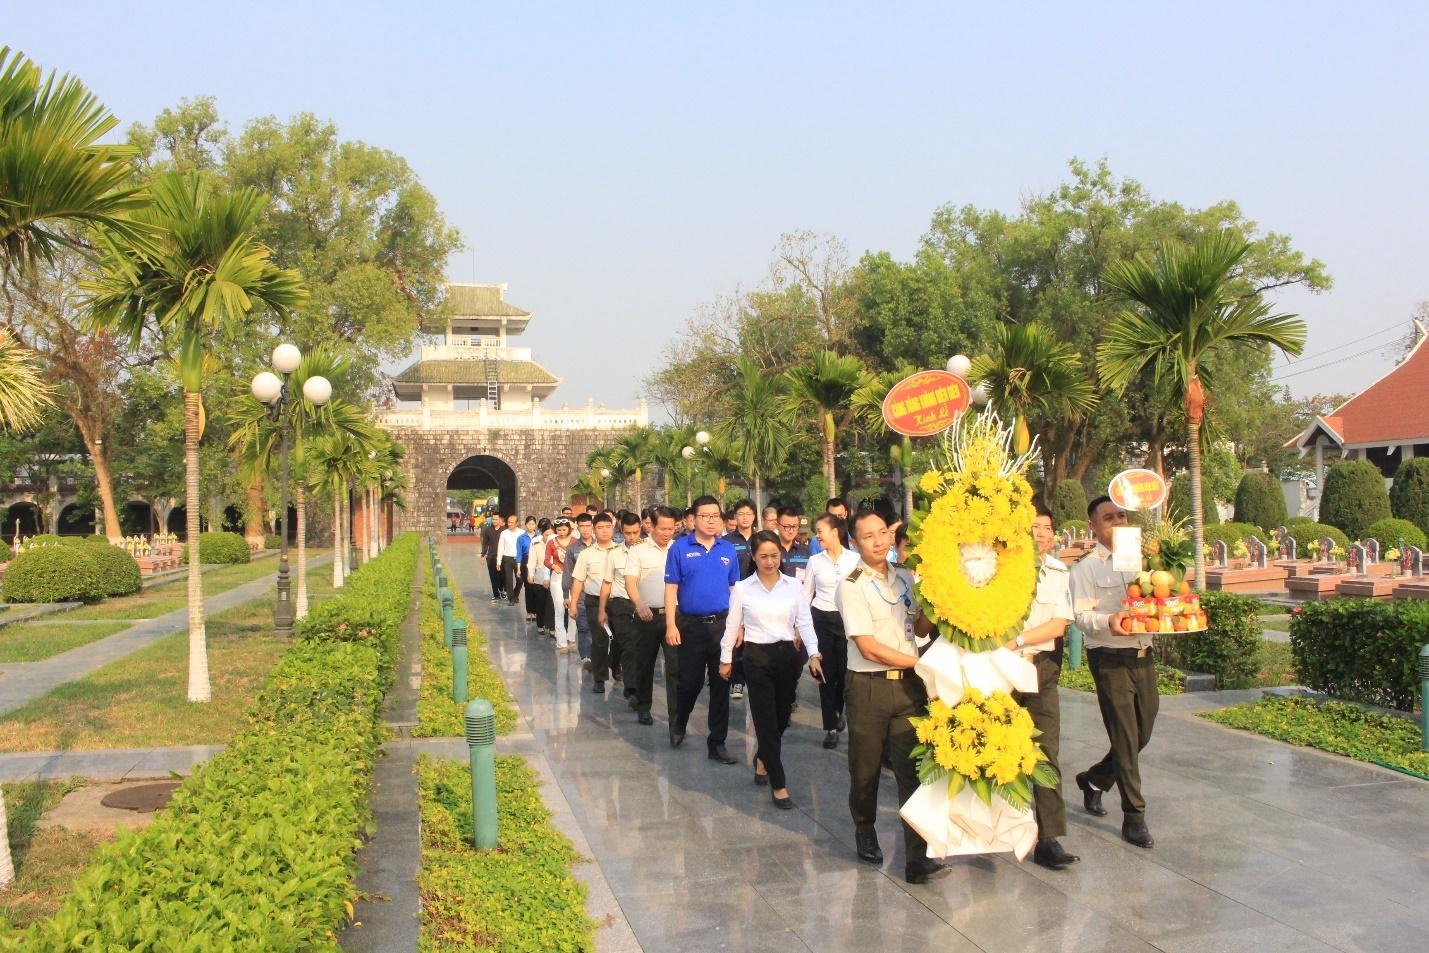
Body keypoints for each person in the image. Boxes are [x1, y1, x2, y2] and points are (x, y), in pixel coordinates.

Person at [838, 510, 947, 885]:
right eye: (868, 536)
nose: (879, 540)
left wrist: (938, 605)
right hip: (869, 687)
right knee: (865, 768)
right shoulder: (850, 585)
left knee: (913, 771)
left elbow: (917, 625)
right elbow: (868, 647)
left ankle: (918, 857)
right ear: (855, 543)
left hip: (908, 687)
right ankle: (865, 830)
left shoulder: (904, 577)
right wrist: (922, 663)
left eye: (883, 532)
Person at [1071, 495, 1157, 849]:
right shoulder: (1086, 568)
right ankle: (1134, 816)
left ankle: (1094, 779)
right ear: (1094, 526)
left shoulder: (1144, 560)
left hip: (1143, 654)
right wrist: (1109, 620)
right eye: (1108, 517)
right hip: (1109, 657)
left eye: (1121, 515)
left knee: (1142, 733)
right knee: (1124, 736)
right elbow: (1079, 616)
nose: (1117, 521)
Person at [719, 531, 824, 809]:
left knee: (780, 718)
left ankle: (763, 756)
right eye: (763, 556)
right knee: (765, 720)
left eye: (774, 556)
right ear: (753, 557)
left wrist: (814, 654)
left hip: (787, 655)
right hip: (756, 656)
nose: (769, 561)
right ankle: (779, 785)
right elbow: (732, 626)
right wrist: (726, 658)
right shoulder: (743, 588)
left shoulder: (793, 586)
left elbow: (805, 622)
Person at [1008, 507, 1079, 869]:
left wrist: (1017, 640)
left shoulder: (1058, 571)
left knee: (1045, 751)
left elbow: (1058, 625)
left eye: (1047, 528)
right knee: (996, 747)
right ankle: (993, 828)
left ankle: (1049, 837)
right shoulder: (1001, 570)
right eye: (1033, 527)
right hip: (1003, 671)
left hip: (1040, 669)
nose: (1041, 533)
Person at [665, 494, 740, 763]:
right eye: (705, 516)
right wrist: (671, 624)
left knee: (721, 684)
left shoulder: (728, 550)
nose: (711, 521)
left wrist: (738, 625)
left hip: (721, 626)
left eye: (715, 516)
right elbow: (671, 588)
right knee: (690, 684)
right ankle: (679, 722)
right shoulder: (680, 548)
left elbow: (735, 589)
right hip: (690, 627)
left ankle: (717, 743)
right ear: (693, 519)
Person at [805, 513, 859, 749]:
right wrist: (801, 629)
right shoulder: (815, 561)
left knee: (844, 674)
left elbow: (860, 591)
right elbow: (806, 595)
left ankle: (838, 710)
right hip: (821, 619)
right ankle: (829, 727)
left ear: (835, 532)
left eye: (820, 531)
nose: (817, 536)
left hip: (847, 621)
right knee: (826, 673)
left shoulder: (855, 560)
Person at [623, 506, 677, 725]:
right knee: (645, 664)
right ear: (652, 526)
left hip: (674, 616)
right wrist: (639, 605)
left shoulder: (679, 548)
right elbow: (630, 581)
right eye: (662, 528)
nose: (667, 533)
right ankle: (644, 706)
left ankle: (676, 713)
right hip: (647, 616)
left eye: (671, 529)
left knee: (675, 667)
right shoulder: (638, 550)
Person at [569, 512, 619, 692]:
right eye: (600, 528)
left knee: (620, 639)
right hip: (594, 601)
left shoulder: (622, 551)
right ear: (593, 530)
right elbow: (578, 580)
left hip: (618, 602)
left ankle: (615, 664)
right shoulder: (586, 554)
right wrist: (573, 604)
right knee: (599, 640)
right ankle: (599, 678)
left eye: (607, 527)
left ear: (612, 528)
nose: (604, 531)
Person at [600, 512, 643, 695]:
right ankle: (632, 688)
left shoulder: (648, 551)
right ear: (621, 531)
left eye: (635, 532)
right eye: (628, 533)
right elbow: (607, 582)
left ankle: (614, 661)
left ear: (640, 529)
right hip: (620, 604)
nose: (632, 537)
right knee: (629, 644)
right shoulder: (614, 554)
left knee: (636, 645)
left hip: (643, 605)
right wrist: (602, 609)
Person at [722, 499, 758, 702]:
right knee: (735, 639)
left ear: (754, 516)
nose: (744, 517)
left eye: (748, 514)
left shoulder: (760, 539)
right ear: (735, 517)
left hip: (756, 596)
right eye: (740, 514)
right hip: (733, 596)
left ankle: (752, 678)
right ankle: (736, 680)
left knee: (754, 640)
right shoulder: (726, 542)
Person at [564, 513, 594, 662]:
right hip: (580, 595)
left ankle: (597, 657)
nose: (585, 529)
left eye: (588, 526)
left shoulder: (600, 545)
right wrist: (566, 597)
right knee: (583, 628)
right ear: (577, 526)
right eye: (582, 526)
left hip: (598, 594)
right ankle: (586, 657)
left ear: (592, 526)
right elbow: (568, 573)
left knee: (597, 629)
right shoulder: (573, 549)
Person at [546, 518, 576, 653]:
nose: (562, 532)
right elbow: (546, 560)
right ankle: (561, 643)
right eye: (559, 530)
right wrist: (553, 565)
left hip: (573, 578)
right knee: (559, 609)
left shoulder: (575, 542)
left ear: (569, 528)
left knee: (573, 609)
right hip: (557, 578)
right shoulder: (551, 542)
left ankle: (571, 639)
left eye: (564, 529)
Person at [529, 518, 556, 637]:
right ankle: (540, 624)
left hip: (555, 576)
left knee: (552, 603)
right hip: (539, 577)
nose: (549, 537)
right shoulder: (535, 542)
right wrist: (531, 574)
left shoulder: (557, 541)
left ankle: (552, 627)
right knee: (540, 602)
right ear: (541, 533)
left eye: (551, 534)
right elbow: (532, 559)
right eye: (546, 534)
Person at [516, 516, 540, 623]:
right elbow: (519, 554)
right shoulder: (521, 538)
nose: (531, 526)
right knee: (528, 588)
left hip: (537, 562)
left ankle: (535, 612)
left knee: (536, 587)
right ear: (526, 525)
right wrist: (518, 569)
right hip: (525, 562)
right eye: (529, 524)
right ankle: (529, 611)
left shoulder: (539, 537)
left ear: (535, 525)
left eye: (533, 524)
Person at [498, 514, 524, 606]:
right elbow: (500, 547)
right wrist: (499, 561)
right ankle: (511, 599)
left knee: (520, 580)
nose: (509, 524)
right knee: (508, 579)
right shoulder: (504, 533)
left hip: (519, 559)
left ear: (517, 523)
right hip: (507, 558)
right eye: (508, 522)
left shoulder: (522, 533)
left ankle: (515, 594)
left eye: (512, 522)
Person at [479, 514, 503, 603]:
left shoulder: (504, 531)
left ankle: (501, 589)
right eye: (493, 519)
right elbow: (485, 543)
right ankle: (496, 595)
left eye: (496, 519)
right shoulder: (487, 530)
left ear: (500, 520)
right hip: (491, 557)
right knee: (493, 577)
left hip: (502, 558)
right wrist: (483, 555)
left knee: (501, 576)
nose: (494, 521)